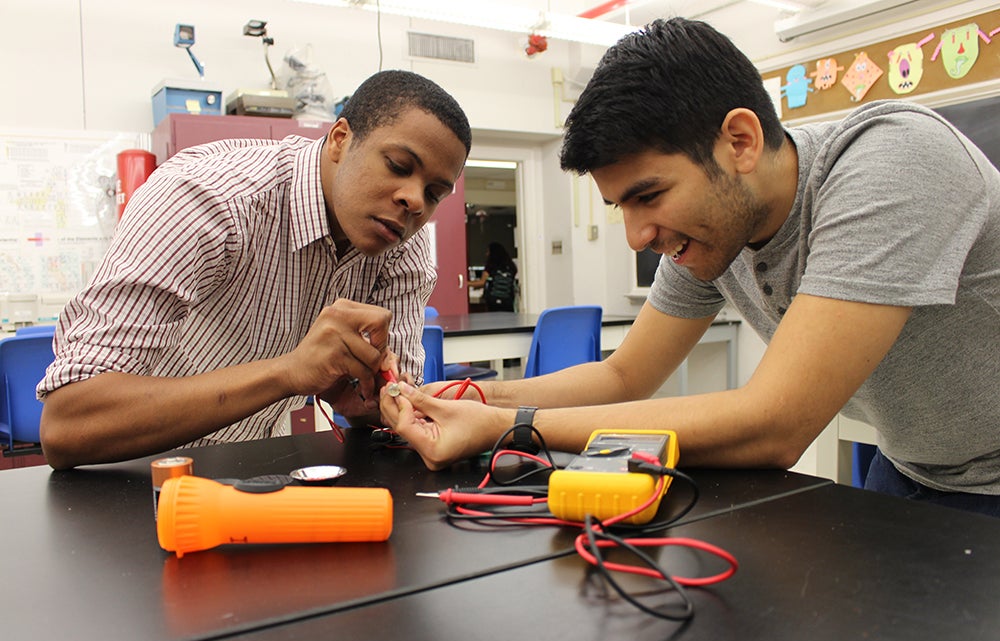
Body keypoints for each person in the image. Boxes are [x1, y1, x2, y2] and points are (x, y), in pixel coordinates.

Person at [383, 18, 1000, 517]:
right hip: (919, 466)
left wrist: (506, 427)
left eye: (648, 196)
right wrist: (465, 396)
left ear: (739, 142)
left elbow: (776, 424)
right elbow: (625, 375)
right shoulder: (714, 231)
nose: (637, 237)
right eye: (621, 206)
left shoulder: (891, 161)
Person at [39, 69, 471, 470]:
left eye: (434, 193)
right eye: (398, 165)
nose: (414, 201)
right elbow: (66, 426)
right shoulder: (208, 199)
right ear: (340, 138)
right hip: (133, 478)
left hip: (258, 470)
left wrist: (372, 404)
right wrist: (288, 372)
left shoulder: (402, 247)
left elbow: (386, 414)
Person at [468, 241, 518, 311]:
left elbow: (482, 282)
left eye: (488, 251)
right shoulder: (511, 266)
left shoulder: (491, 265)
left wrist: (466, 283)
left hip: (493, 301)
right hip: (507, 301)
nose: (486, 254)